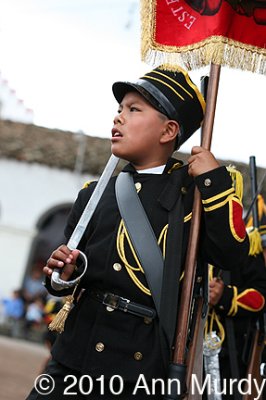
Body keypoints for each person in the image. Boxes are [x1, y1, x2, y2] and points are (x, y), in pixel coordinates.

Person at [26, 65, 250, 399]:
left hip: (139, 371)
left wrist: (214, 182)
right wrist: (63, 275)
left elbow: (232, 255)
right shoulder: (94, 193)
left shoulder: (195, 198)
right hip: (73, 357)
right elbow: (64, 279)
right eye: (119, 109)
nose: (119, 118)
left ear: (168, 131)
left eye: (134, 110)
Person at [205, 253, 266, 400]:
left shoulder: (248, 243)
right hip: (193, 346)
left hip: (232, 350)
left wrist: (225, 296)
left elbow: (261, 298)